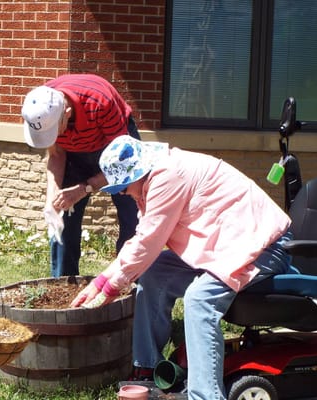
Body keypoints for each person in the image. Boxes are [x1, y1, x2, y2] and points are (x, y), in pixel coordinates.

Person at [70, 135, 293, 400]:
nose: (121, 192)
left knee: (199, 299)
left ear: (138, 174)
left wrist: (111, 288)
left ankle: (205, 395)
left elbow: (149, 241)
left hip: (264, 246)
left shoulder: (168, 177)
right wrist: (100, 281)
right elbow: (142, 241)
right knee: (153, 274)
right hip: (228, 244)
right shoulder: (153, 177)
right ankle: (147, 368)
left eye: (123, 186)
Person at [21, 74, 140, 277]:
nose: (54, 137)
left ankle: (130, 284)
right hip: (74, 154)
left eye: (54, 132)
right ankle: (63, 287)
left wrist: (84, 188)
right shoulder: (40, 106)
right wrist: (52, 198)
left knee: (132, 218)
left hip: (114, 148)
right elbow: (57, 154)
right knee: (63, 218)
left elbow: (123, 163)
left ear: (66, 112)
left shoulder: (100, 101)